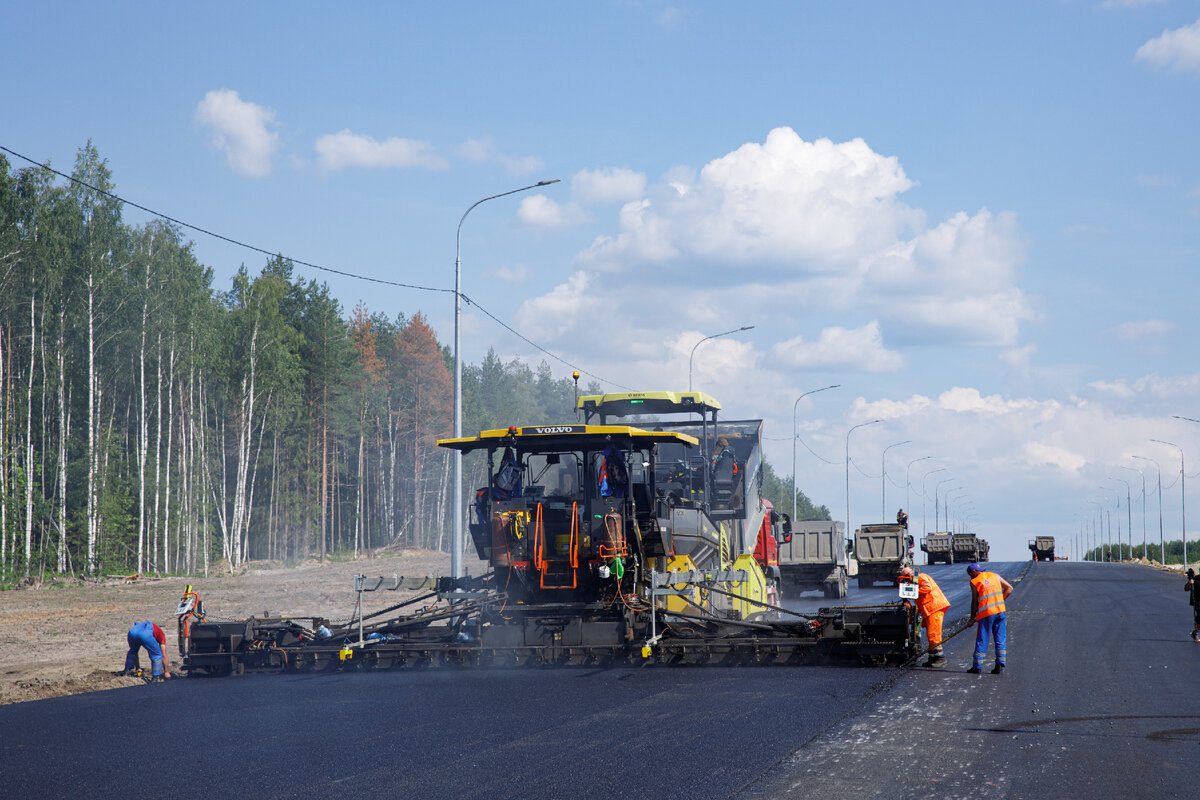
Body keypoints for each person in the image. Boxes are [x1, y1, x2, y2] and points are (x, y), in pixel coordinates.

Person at [966, 563, 1013, 674]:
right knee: (1000, 639)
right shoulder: (995, 576)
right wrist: (999, 601)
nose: (970, 577)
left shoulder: (975, 581)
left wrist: (972, 618)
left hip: (986, 614)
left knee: (982, 639)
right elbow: (1009, 588)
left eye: (970, 575)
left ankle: (977, 666)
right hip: (1000, 612)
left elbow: (974, 602)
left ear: (973, 573)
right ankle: (1000, 665)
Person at [898, 565, 949, 667]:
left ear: (908, 576)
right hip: (930, 610)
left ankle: (940, 658)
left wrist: (912, 591)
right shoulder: (916, 582)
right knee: (930, 635)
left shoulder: (921, 577)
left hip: (934, 608)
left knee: (933, 634)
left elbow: (927, 587)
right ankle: (932, 658)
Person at [1186, 568, 1200, 642]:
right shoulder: (1195, 579)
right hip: (1198, 603)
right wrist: (1190, 583)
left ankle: (1195, 632)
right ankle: (1195, 632)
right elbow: (1186, 588)